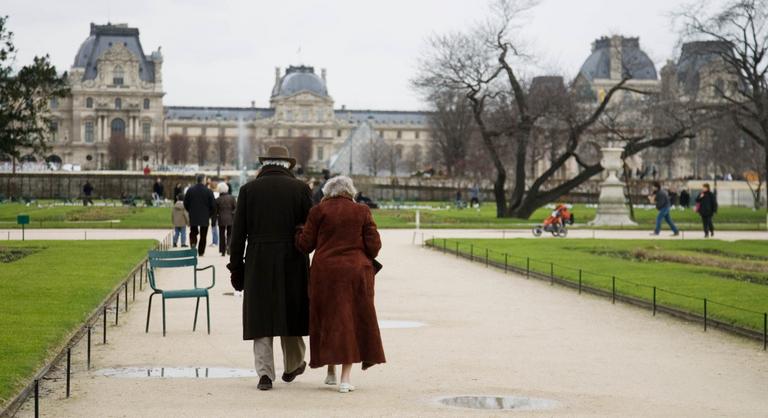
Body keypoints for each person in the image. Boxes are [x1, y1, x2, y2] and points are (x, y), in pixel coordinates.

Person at [228, 145, 313, 391]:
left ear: (264, 164)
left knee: (261, 314)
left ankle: (265, 374)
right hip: (292, 257)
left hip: (258, 257)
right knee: (291, 311)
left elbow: (238, 234)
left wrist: (236, 267)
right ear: (287, 165)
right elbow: (311, 228)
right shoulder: (300, 189)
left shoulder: (248, 190)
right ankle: (293, 364)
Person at [296, 176, 385, 394]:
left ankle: (330, 371)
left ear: (328, 192)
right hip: (355, 273)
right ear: (350, 191)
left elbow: (306, 245)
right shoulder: (362, 211)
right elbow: (374, 246)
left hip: (325, 273)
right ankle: (345, 379)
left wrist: (298, 231)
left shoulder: (318, 211)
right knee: (350, 320)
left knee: (328, 318)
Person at [183, 174, 215, 256]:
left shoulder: (190, 190)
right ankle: (201, 252)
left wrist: (190, 211)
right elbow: (213, 206)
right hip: (204, 216)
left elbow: (185, 203)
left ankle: (193, 246)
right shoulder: (209, 191)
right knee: (203, 235)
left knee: (193, 232)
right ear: (204, 180)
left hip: (193, 215)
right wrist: (209, 214)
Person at [215, 182, 236, 256]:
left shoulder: (218, 199)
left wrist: (214, 220)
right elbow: (235, 208)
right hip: (230, 218)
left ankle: (223, 251)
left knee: (222, 235)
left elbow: (215, 211)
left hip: (221, 219)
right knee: (230, 234)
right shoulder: (232, 198)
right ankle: (229, 247)